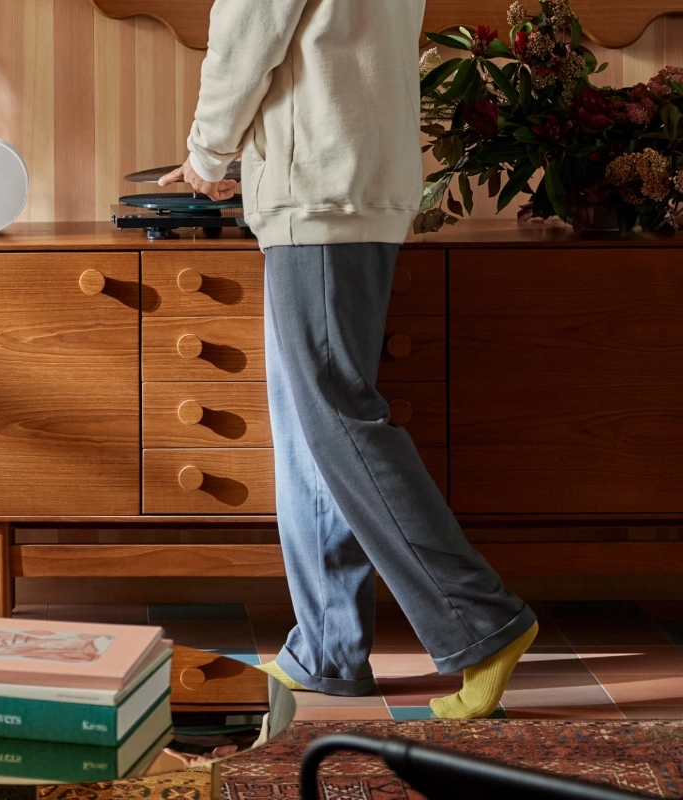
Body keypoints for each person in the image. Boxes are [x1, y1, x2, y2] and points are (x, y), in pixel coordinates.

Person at [158, 0, 538, 719]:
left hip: (319, 187)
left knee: (337, 421)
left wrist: (208, 153)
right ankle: (328, 647)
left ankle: (484, 626)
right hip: (352, 177)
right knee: (312, 431)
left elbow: (248, 33)